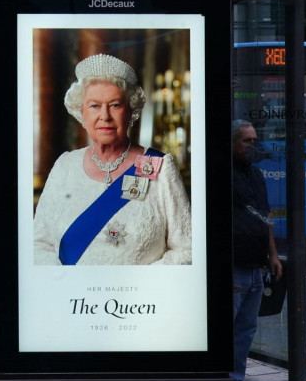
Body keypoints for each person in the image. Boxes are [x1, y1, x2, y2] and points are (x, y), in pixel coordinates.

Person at [33, 53, 191, 265]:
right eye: (94, 106)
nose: (105, 116)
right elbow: (39, 244)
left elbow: (188, 248)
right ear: (82, 112)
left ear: (131, 111)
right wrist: (65, 284)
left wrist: (139, 286)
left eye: (115, 105)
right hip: (74, 297)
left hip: (139, 297)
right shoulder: (65, 166)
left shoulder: (158, 166)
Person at [232, 119, 283, 381]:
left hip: (255, 266)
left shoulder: (257, 175)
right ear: (232, 143)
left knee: (246, 328)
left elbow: (266, 217)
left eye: (254, 140)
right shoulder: (222, 174)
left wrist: (273, 255)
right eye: (246, 141)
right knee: (229, 329)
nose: (252, 145)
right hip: (234, 265)